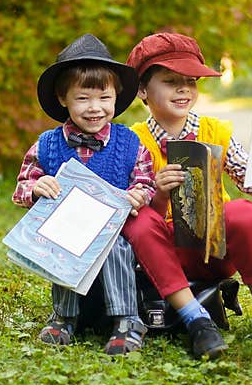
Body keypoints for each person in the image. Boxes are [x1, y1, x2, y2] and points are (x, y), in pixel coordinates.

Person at [121, 32, 252, 359]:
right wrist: (158, 194)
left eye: (191, 80)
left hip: (214, 250)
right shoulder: (130, 142)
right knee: (139, 222)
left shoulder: (216, 131)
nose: (184, 88)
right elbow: (133, 222)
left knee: (241, 212)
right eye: (170, 81)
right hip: (163, 257)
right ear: (142, 90)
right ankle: (197, 321)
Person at [12, 33, 156, 356]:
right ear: (63, 98)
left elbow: (148, 181)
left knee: (115, 243)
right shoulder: (48, 144)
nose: (95, 108)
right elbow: (22, 185)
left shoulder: (129, 143)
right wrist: (36, 187)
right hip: (70, 234)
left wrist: (138, 194)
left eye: (104, 98)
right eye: (83, 99)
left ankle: (126, 320)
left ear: (116, 97)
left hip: (113, 239)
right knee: (64, 241)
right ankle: (64, 316)